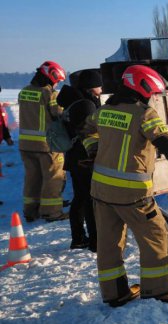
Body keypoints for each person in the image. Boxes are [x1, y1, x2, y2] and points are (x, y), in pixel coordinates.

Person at [82, 65, 168, 307]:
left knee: (109, 244)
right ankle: (156, 290)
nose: (151, 96)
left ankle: (115, 293)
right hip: (133, 195)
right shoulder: (144, 114)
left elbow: (87, 129)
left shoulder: (104, 111)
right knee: (156, 237)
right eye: (151, 92)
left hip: (101, 192)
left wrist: (93, 148)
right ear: (142, 87)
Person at [57, 69, 102, 251]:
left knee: (80, 198)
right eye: (99, 86)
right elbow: (89, 133)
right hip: (84, 158)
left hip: (75, 157)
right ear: (91, 87)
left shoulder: (75, 100)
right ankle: (95, 241)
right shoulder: (86, 105)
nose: (101, 89)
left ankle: (78, 238)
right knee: (90, 200)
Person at [18, 61, 67, 222]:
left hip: (26, 144)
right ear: (50, 76)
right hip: (47, 144)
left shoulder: (24, 91)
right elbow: (58, 114)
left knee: (32, 177)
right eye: (57, 80)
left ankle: (30, 210)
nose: (57, 83)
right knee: (53, 178)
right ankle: (52, 212)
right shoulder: (49, 93)